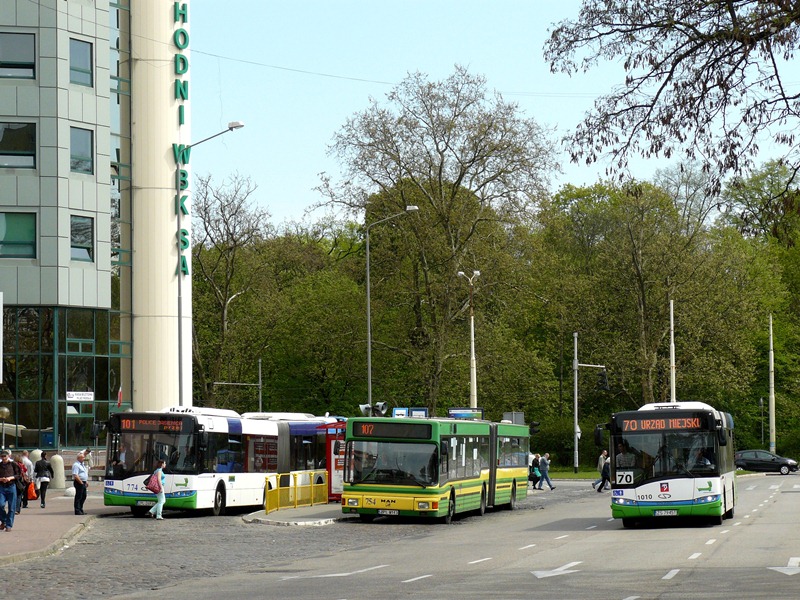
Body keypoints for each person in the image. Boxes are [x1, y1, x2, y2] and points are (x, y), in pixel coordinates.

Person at [0, 449, 22, 532]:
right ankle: (4, 521)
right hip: (1, 487)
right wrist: (1, 479)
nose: (3, 458)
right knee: (1, 504)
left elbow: (18, 475)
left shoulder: (13, 464)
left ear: (8, 456)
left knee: (11, 507)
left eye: (5, 456)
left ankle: (9, 525)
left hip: (11, 486)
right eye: (2, 456)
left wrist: (10, 478)